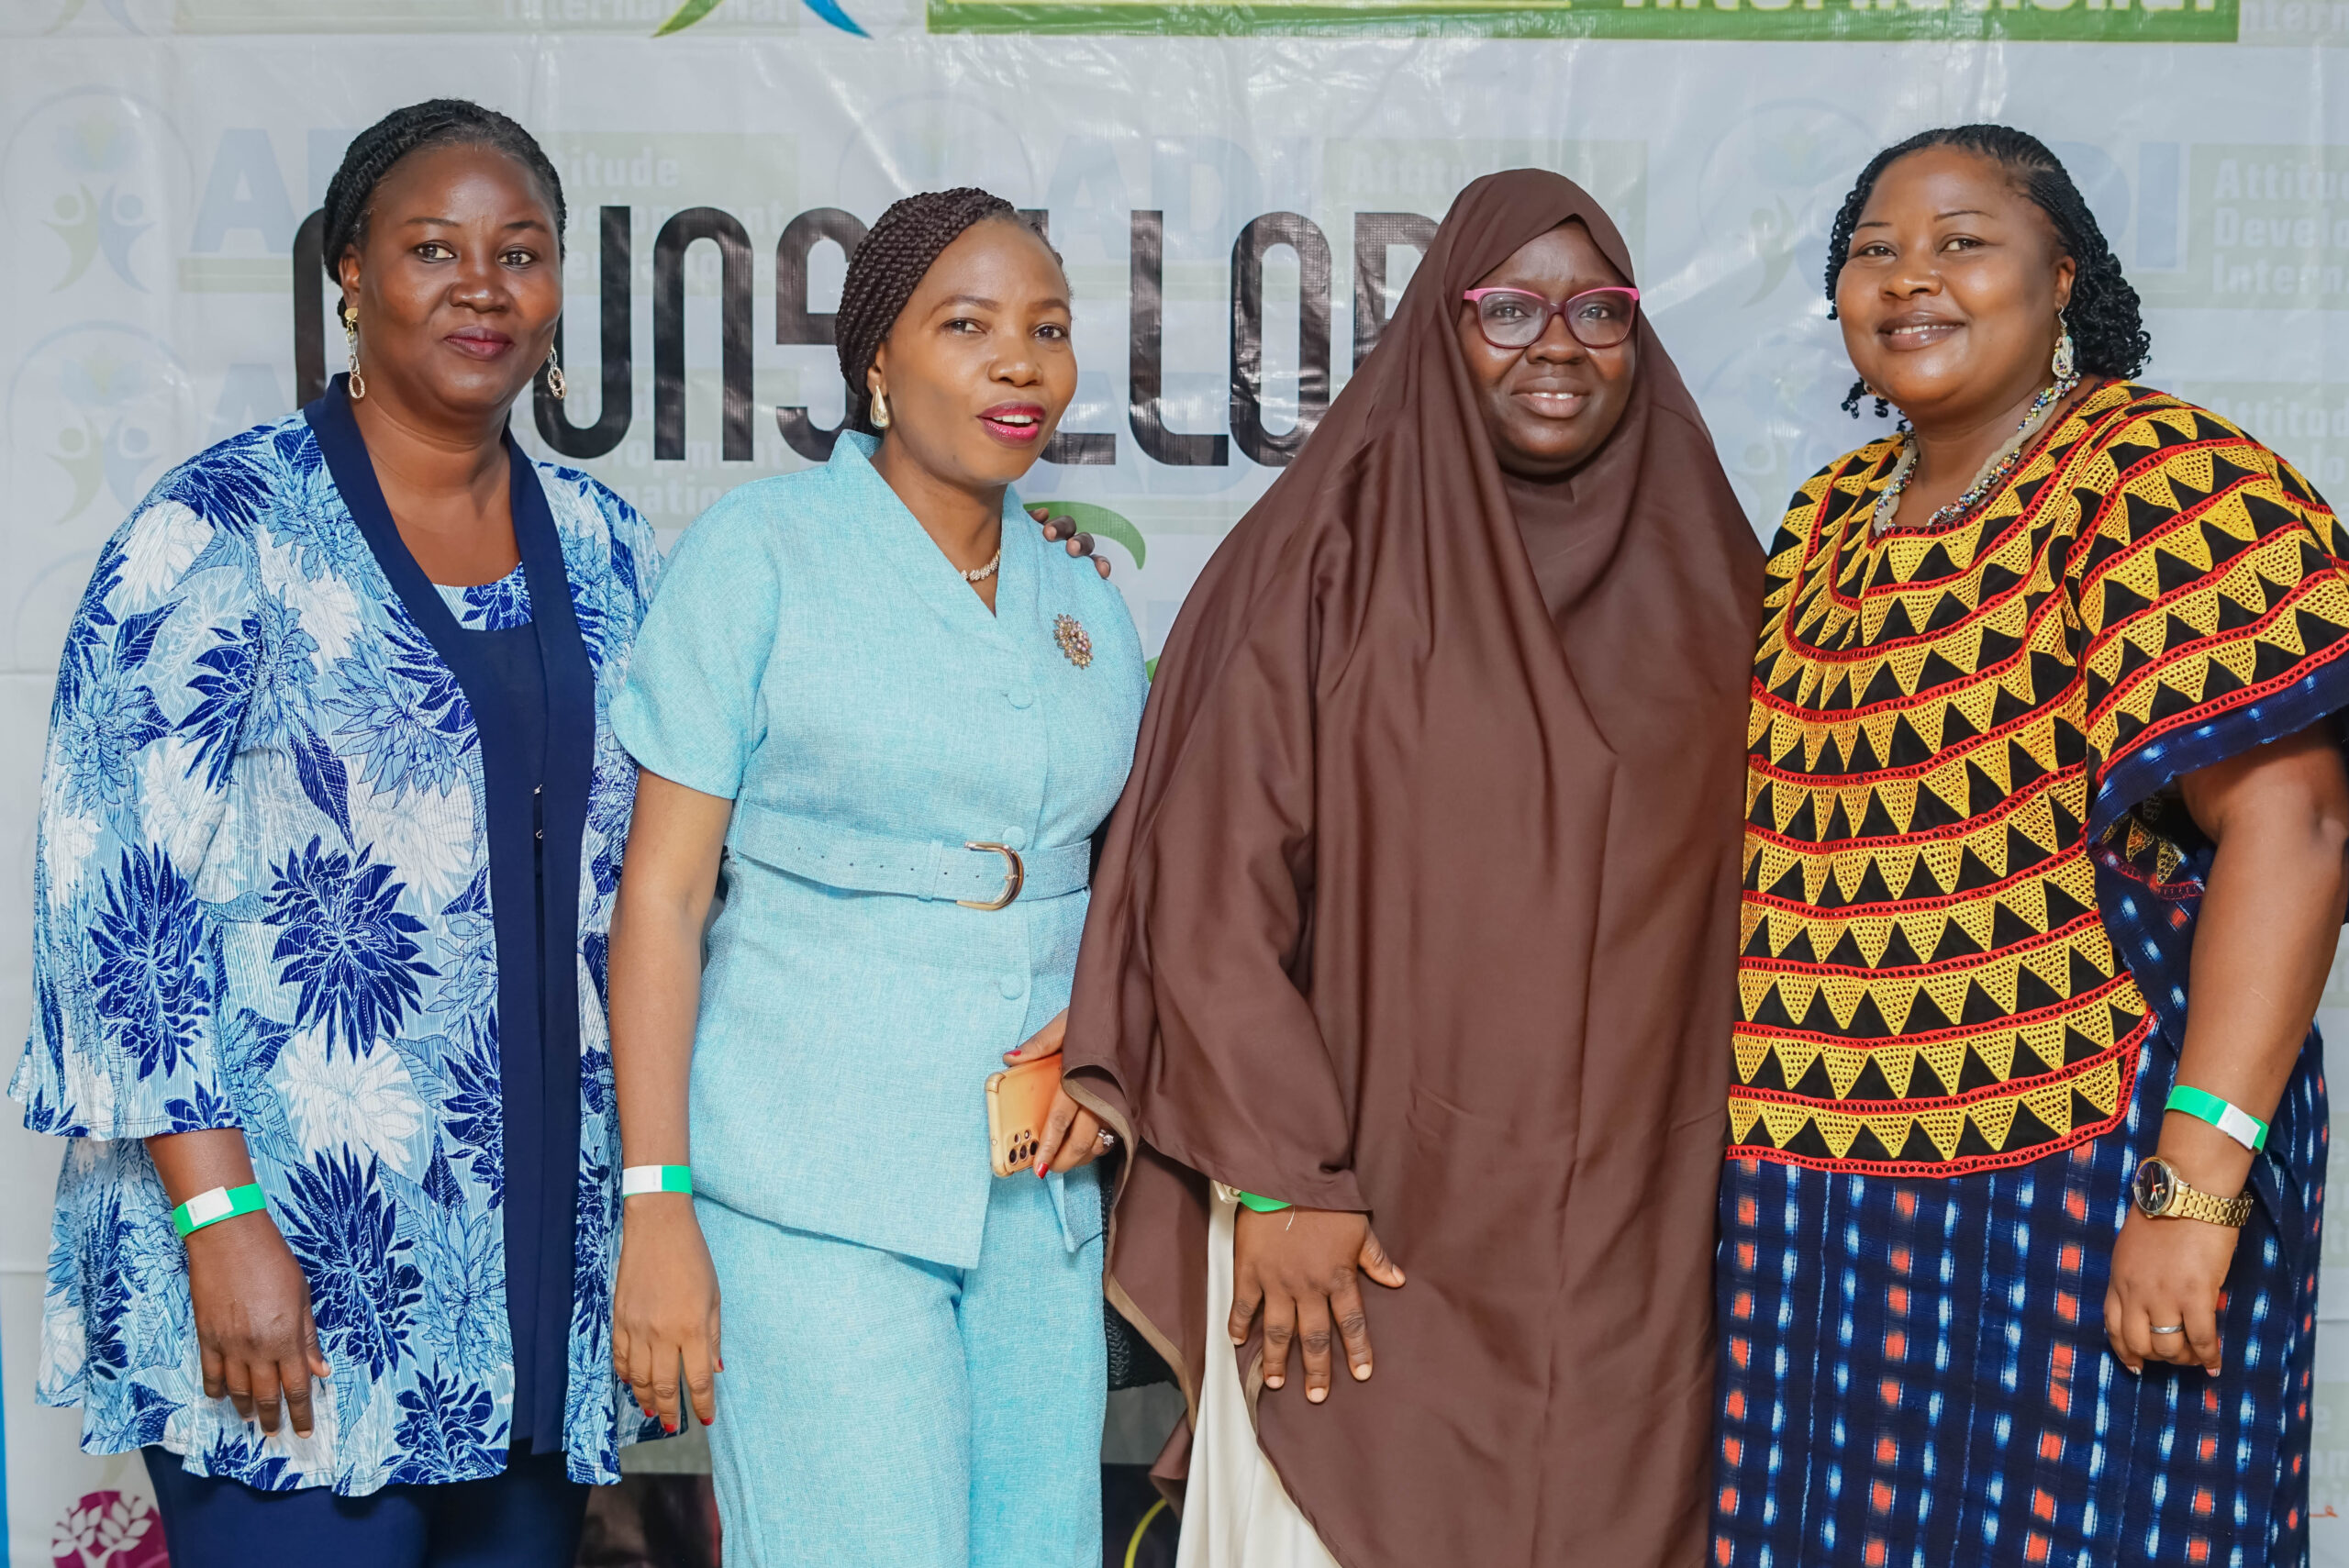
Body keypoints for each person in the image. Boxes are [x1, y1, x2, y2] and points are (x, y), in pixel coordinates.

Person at [1052, 170, 1764, 1568]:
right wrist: (1282, 1182)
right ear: (1442, 323)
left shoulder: (1720, 581)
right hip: (1356, 1227)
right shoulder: (1321, 559)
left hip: (1638, 1256)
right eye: (1510, 308)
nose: (1558, 344)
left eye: (1598, 311)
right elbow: (1210, 900)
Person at [16, 99, 663, 1565]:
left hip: (531, 1282)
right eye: (433, 248)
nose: (483, 286)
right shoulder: (221, 528)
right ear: (351, 275)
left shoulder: (610, 545)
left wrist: (993, 561)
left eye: (521, 252)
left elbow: (690, 856)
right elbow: (112, 898)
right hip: (291, 1260)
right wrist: (223, 1218)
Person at [1712, 125, 2346, 1567]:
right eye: (1874, 250)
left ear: (2062, 278)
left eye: (1962, 242)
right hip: (1817, 1222)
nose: (1909, 277)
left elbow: (2297, 824)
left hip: (2086, 1186)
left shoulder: (2159, 476)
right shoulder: (1823, 524)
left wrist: (2195, 1187)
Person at [604, 186, 1145, 1567]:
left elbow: (1139, 886)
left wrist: (1107, 1038)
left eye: (1048, 330)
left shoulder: (1085, 597)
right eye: (968, 327)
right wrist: (655, 1199)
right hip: (810, 1185)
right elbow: (661, 900)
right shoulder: (760, 554)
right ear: (877, 365)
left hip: (1037, 1199)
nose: (1018, 362)